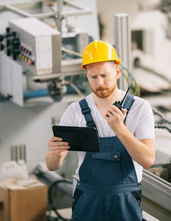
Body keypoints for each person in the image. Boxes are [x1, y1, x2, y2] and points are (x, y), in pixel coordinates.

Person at [45, 40, 155, 220]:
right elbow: (52, 165)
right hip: (88, 201)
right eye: (93, 77)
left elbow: (148, 160)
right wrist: (55, 152)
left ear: (118, 72)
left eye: (105, 75)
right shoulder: (75, 111)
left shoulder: (140, 108)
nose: (100, 82)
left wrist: (120, 129)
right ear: (86, 75)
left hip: (125, 203)